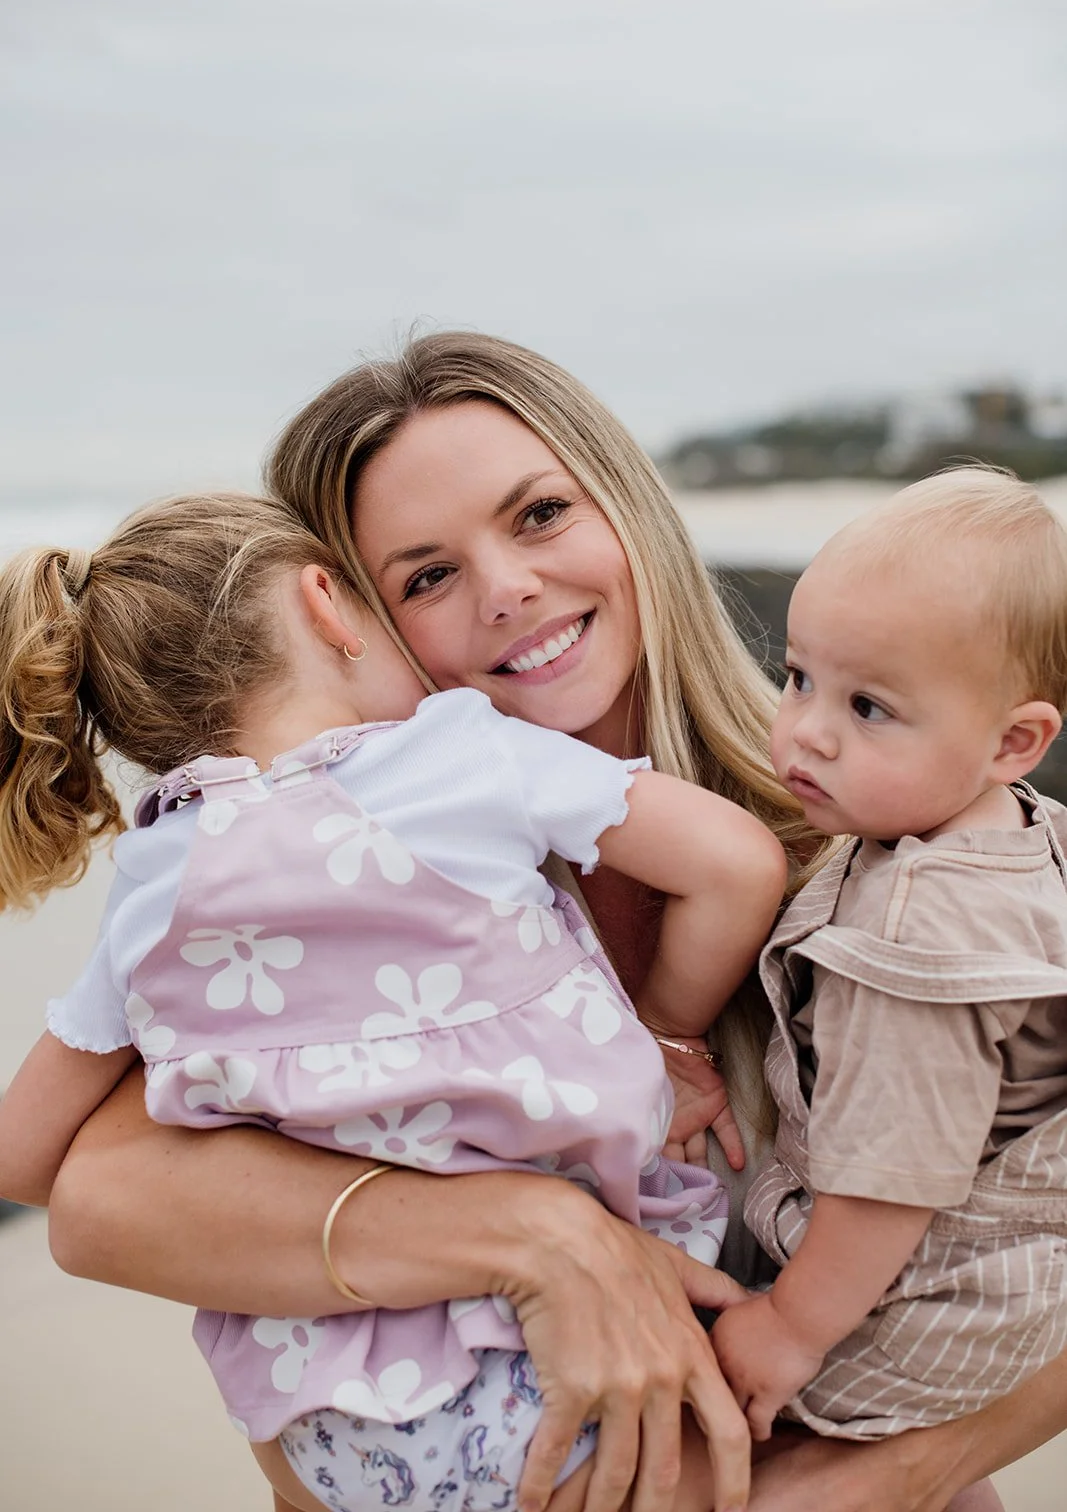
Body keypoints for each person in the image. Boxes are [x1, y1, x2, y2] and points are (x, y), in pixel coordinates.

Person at [32, 333, 1067, 1512]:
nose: (506, 589)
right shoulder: (349, 907)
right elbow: (97, 1197)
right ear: (353, 621)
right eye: (424, 576)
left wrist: (893, 1476)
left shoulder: (892, 850)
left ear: (624, 506)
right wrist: (533, 1235)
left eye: (536, 515)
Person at [0, 490, 788, 1512]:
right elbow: (736, 861)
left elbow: (25, 1157)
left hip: (328, 1418)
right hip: (574, 1366)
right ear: (327, 603)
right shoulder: (460, 750)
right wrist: (671, 1032)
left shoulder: (153, 887)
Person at [711, 468, 1067, 1444]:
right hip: (1004, 1279)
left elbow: (887, 1181)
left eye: (867, 707)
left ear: (1013, 740)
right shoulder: (1015, 830)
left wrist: (787, 1325)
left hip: (916, 1299)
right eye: (796, 677)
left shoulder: (914, 937)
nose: (804, 732)